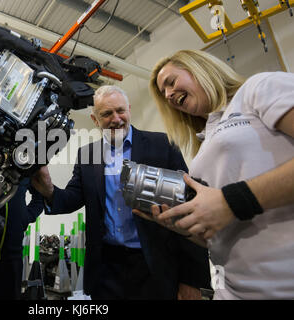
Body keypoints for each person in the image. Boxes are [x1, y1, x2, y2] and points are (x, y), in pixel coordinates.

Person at [32, 85, 211, 300]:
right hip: (107, 269)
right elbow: (73, 198)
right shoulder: (88, 154)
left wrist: (192, 279)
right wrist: (49, 189)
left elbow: (188, 208)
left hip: (155, 265)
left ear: (129, 110)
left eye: (120, 110)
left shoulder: (161, 144)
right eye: (106, 113)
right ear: (95, 119)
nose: (116, 119)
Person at [146, 49, 294, 299]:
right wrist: (186, 226)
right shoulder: (204, 140)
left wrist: (231, 202)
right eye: (164, 93)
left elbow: (231, 205)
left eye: (171, 82)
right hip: (234, 290)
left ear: (198, 68)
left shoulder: (257, 89)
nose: (169, 94)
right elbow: (222, 229)